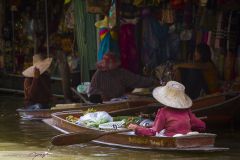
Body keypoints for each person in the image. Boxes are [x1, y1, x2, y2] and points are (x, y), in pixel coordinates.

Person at [128, 81, 206, 137]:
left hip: (174, 138)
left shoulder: (163, 112)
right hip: (187, 136)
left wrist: (137, 128)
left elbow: (153, 132)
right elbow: (202, 126)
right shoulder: (186, 111)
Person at [88, 53, 158, 103]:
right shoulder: (99, 73)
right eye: (112, 62)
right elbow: (92, 91)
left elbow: (137, 80)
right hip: (103, 103)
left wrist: (154, 82)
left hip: (119, 100)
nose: (117, 64)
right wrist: (102, 95)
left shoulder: (121, 72)